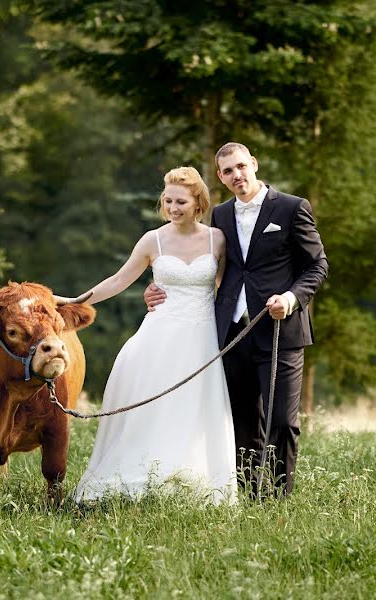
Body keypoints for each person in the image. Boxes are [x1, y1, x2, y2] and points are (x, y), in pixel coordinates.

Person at [145, 142, 328, 496]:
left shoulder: (292, 208)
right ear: (220, 177)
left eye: (241, 166)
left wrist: (291, 299)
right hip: (232, 332)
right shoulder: (223, 215)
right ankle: (248, 495)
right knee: (242, 421)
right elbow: (217, 269)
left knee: (283, 421)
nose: (237, 175)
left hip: (280, 330)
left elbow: (318, 265)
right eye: (228, 171)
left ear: (254, 164)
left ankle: (277, 500)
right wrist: (156, 287)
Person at [68, 166, 237, 505]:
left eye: (182, 202)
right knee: (156, 406)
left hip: (201, 338)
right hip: (160, 337)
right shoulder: (153, 240)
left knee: (195, 406)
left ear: (198, 202)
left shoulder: (216, 239)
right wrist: (75, 301)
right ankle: (147, 472)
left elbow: (227, 288)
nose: (174, 208)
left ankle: (193, 478)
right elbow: (118, 281)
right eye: (169, 201)